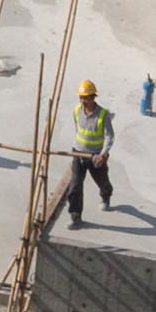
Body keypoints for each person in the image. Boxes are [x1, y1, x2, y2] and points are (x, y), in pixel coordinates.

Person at [61, 77, 118, 226]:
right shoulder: (76, 110)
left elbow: (109, 136)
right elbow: (78, 129)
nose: (83, 101)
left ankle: (106, 195)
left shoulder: (103, 114)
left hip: (96, 157)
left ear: (93, 97)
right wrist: (78, 147)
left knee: (103, 182)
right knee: (75, 186)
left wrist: (102, 154)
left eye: (86, 98)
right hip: (78, 154)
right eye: (81, 97)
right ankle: (75, 217)